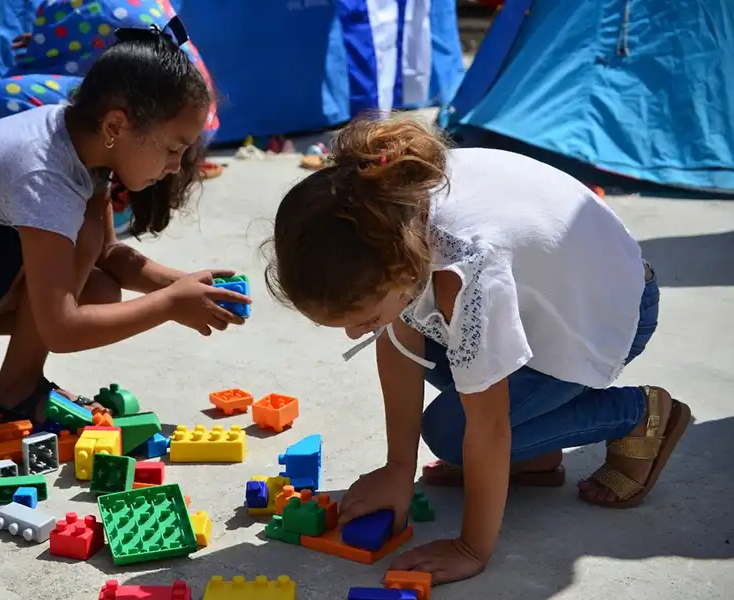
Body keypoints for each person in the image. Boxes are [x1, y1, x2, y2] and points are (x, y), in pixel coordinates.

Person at [262, 114, 691, 584]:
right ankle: (534, 455)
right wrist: (397, 469)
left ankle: (638, 414)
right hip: (550, 296)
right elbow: (400, 345)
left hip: (607, 314)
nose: (353, 335)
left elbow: (487, 426)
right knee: (432, 351)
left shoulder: (461, 273)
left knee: (453, 433)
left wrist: (470, 547)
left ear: (402, 274)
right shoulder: (391, 209)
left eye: (361, 320)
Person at [0, 23, 249, 424]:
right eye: (173, 148)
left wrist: (188, 286)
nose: (175, 167)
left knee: (99, 288)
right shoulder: (44, 174)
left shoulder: (81, 143)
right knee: (79, 242)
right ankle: (14, 389)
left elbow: (108, 254)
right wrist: (170, 305)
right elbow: (61, 330)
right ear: (115, 126)